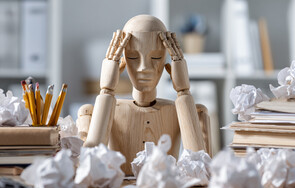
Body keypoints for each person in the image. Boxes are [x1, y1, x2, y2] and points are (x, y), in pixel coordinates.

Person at [79, 15, 211, 175]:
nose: (143, 68)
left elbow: (200, 169)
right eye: (133, 57)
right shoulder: (106, 109)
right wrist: (106, 90)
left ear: (166, 61)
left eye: (155, 57)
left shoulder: (182, 111)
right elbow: (88, 165)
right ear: (123, 61)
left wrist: (183, 91)